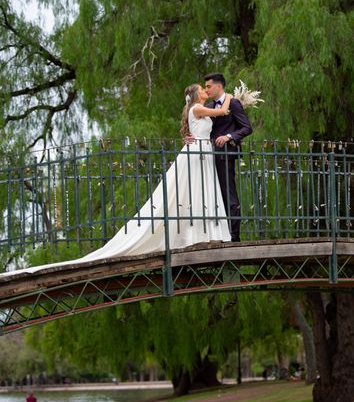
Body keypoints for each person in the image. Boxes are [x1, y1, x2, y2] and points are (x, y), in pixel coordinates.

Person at [4, 84, 233, 275]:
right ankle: (195, 235)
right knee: (191, 191)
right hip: (197, 153)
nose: (205, 90)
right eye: (202, 89)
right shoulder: (197, 108)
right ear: (195, 95)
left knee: (200, 191)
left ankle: (205, 232)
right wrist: (231, 98)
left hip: (202, 151)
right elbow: (222, 111)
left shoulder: (197, 108)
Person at [203, 73, 253, 242]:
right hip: (209, 156)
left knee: (228, 193)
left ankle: (234, 236)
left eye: (208, 86)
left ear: (219, 86)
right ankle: (217, 233)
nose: (206, 89)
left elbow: (247, 128)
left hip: (225, 155)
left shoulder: (234, 103)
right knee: (212, 194)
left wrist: (229, 136)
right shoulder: (209, 106)